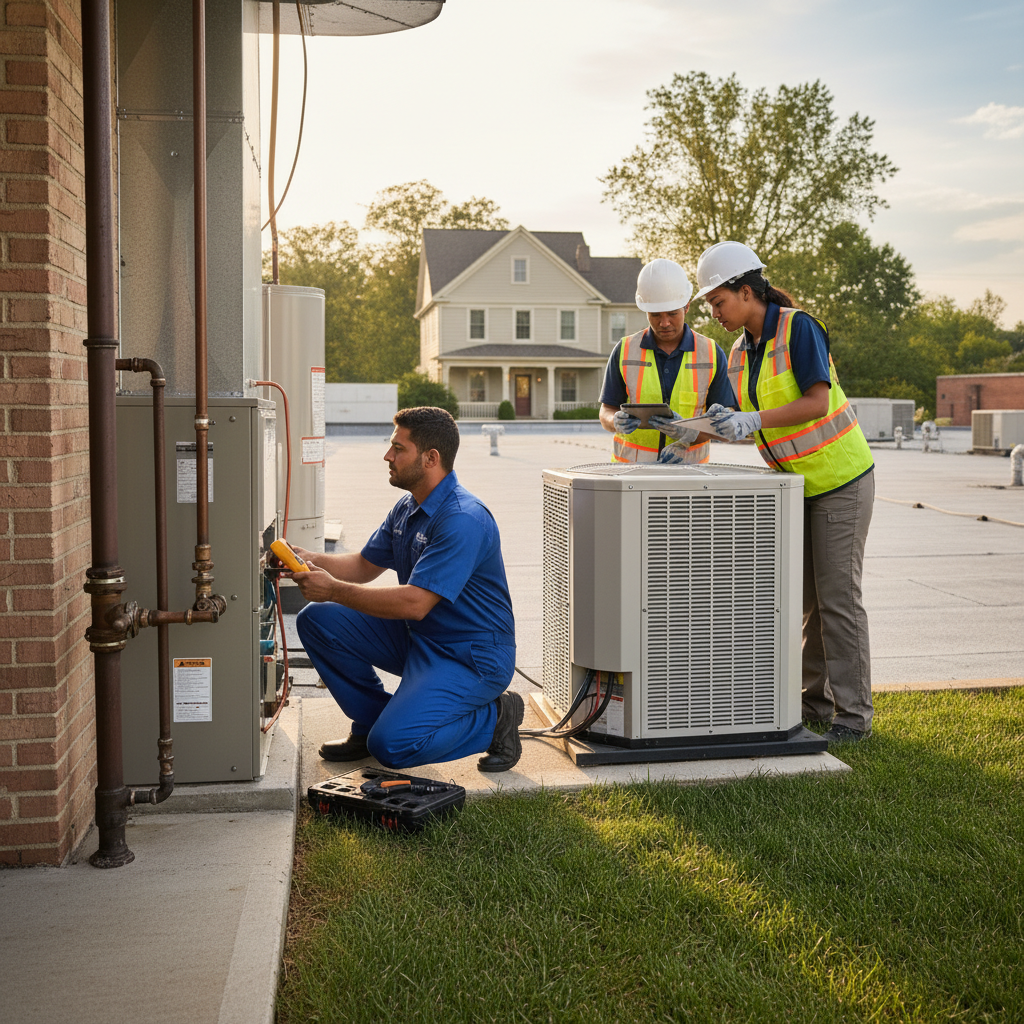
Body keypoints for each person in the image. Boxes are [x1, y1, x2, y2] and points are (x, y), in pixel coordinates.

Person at [694, 241, 875, 744]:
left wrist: (749, 420)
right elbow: (748, 426)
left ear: (746, 291)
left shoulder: (799, 328)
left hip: (841, 480)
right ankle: (812, 704)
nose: (715, 314)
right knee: (804, 601)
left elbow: (816, 403)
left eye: (718, 302)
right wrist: (694, 432)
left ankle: (853, 717)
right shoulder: (739, 352)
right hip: (797, 489)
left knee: (837, 600)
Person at [284, 406, 522, 773]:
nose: (387, 456)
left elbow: (414, 603)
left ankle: (497, 718)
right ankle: (372, 721)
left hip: (470, 656)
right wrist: (307, 558)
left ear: (431, 458)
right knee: (319, 620)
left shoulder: (463, 519)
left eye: (398, 448)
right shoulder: (409, 507)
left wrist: (333, 589)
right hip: (422, 638)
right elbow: (364, 567)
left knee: (394, 747)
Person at [599, 258, 736, 464]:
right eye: (655, 315)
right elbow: (606, 410)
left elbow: (726, 421)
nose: (664, 323)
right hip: (631, 476)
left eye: (672, 314)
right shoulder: (625, 350)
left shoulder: (710, 353)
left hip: (689, 477)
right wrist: (614, 421)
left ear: (686, 307)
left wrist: (687, 432)